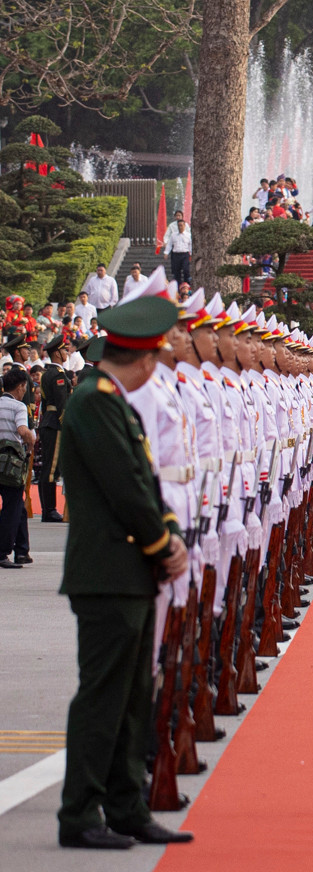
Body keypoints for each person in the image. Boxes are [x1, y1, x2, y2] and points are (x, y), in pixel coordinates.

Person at [54, 294, 196, 849]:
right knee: (103, 697)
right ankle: (80, 813)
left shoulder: (112, 401)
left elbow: (146, 481)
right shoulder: (94, 402)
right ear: (140, 360)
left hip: (129, 571)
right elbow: (125, 489)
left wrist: (166, 535)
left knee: (134, 695)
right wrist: (165, 543)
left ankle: (125, 805)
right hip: (107, 572)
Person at [35, 336, 76, 523]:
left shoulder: (46, 373)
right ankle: (49, 510)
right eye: (64, 350)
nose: (66, 353)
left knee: (47, 468)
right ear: (57, 353)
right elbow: (62, 405)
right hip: (55, 424)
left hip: (48, 422)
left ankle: (47, 509)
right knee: (51, 470)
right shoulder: (59, 375)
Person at [0, 368, 32, 569]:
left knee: (18, 507)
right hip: (10, 465)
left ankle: (22, 550)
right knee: (12, 508)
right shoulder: (18, 406)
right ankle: (3, 552)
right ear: (20, 386)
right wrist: (31, 442)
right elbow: (22, 430)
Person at [162, 217, 192, 286]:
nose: (180, 227)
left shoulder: (188, 235)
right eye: (179, 225)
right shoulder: (173, 235)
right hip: (176, 255)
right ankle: (178, 285)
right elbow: (169, 244)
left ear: (184, 226)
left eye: (181, 225)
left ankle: (186, 284)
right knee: (176, 271)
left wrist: (191, 253)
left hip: (185, 254)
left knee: (186, 269)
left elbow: (190, 245)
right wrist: (166, 253)